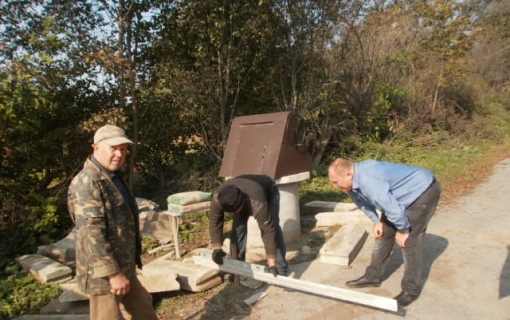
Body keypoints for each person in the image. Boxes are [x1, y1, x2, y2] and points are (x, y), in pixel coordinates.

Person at [68, 124, 159, 320]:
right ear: (96, 147)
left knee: (144, 310)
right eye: (114, 148)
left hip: (124, 265)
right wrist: (113, 275)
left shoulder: (114, 176)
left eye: (123, 149)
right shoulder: (87, 183)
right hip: (104, 275)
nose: (119, 154)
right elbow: (91, 235)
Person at [328, 158, 441, 308]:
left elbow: (392, 209)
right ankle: (372, 277)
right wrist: (376, 221)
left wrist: (403, 230)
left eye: (336, 182)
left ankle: (410, 291)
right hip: (396, 200)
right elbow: (362, 204)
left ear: (349, 174)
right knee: (383, 234)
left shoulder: (369, 181)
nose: (335, 185)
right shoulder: (351, 184)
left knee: (409, 242)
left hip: (421, 192)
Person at [208, 174, 288, 276]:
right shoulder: (218, 199)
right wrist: (217, 249)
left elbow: (268, 231)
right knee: (238, 230)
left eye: (234, 211)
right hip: (245, 190)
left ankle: (279, 269)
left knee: (274, 227)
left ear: (242, 202)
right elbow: (215, 222)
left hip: (269, 192)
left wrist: (271, 264)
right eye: (230, 212)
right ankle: (237, 270)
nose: (232, 214)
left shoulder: (257, 203)